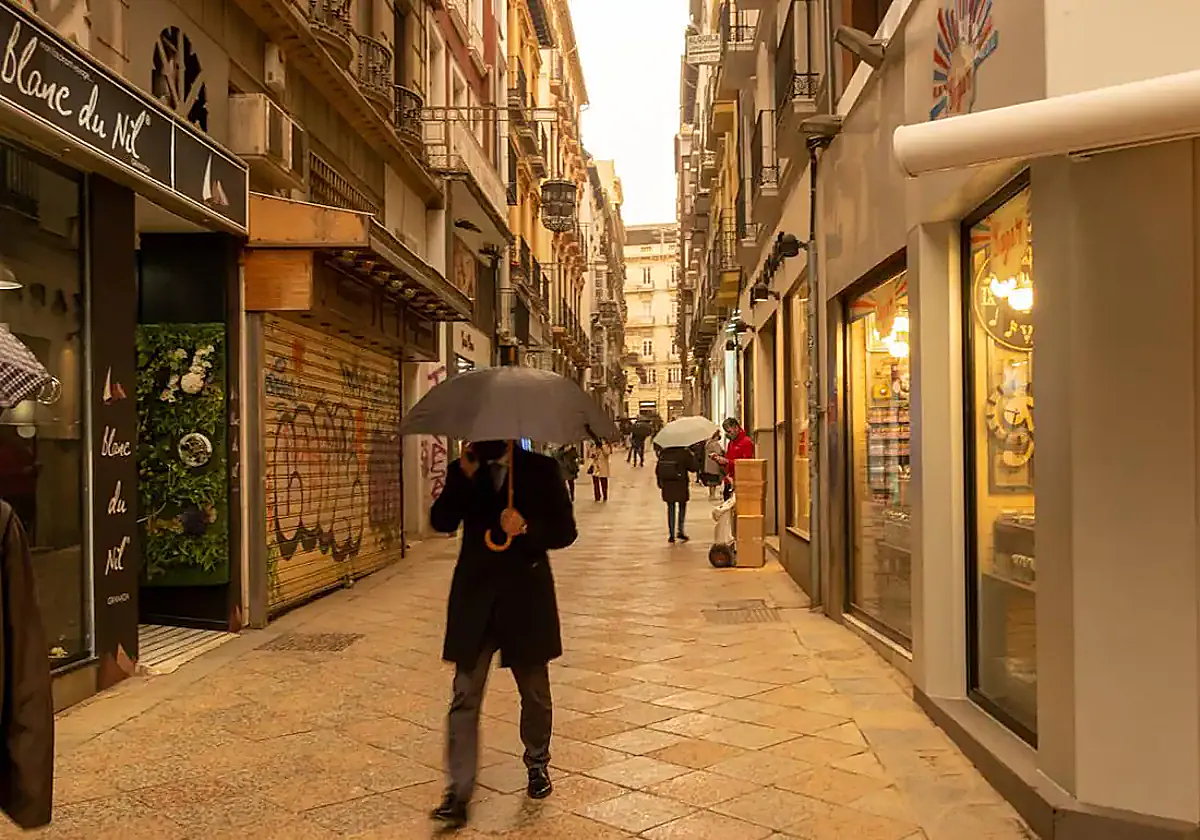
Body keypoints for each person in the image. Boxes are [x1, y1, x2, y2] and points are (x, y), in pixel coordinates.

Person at [429, 440, 577, 829]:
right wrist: (463, 479)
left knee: (534, 692)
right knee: (465, 695)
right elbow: (441, 521)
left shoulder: (542, 470)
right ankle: (458, 790)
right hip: (475, 601)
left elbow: (565, 531)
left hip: (524, 598)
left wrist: (526, 528)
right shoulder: (465, 468)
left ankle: (537, 762)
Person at [656, 445, 698, 543]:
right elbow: (694, 468)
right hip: (681, 484)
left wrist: (660, 483)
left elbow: (658, 470)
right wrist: (693, 456)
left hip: (668, 485)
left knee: (670, 508)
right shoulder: (684, 452)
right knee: (682, 507)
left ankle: (671, 534)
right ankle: (680, 530)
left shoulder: (664, 453)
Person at [715, 417, 755, 492]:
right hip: (730, 480)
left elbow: (746, 464)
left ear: (736, 428)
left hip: (740, 481)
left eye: (729, 431)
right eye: (726, 432)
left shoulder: (746, 442)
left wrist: (727, 461)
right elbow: (728, 461)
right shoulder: (731, 443)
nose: (728, 434)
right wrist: (720, 461)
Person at [701, 431, 725, 499]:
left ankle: (711, 494)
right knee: (713, 481)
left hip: (709, 465)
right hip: (714, 464)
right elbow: (718, 452)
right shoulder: (715, 444)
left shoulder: (708, 443)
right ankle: (712, 495)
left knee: (710, 481)